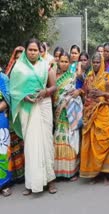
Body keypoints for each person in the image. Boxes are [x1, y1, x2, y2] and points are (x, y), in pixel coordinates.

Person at [10, 38, 57, 195]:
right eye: (30, 50)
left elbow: (54, 86)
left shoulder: (46, 66)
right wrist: (24, 97)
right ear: (25, 50)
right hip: (27, 107)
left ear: (40, 51)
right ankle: (31, 183)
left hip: (43, 105)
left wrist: (45, 92)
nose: (32, 52)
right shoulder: (19, 68)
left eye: (35, 50)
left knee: (46, 142)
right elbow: (14, 91)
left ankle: (50, 181)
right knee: (31, 144)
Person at [79, 53, 109, 184]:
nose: (96, 64)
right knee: (92, 143)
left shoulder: (107, 78)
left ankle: (106, 174)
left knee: (104, 142)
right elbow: (85, 94)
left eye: (98, 62)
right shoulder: (89, 78)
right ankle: (95, 173)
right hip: (90, 114)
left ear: (101, 63)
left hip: (103, 113)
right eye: (94, 62)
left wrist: (102, 94)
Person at [53, 52, 83, 181]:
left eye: (66, 61)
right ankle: (58, 171)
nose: (64, 63)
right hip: (58, 113)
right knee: (58, 139)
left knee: (70, 140)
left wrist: (71, 97)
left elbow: (80, 90)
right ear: (58, 62)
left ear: (70, 63)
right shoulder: (53, 76)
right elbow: (53, 95)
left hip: (69, 112)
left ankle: (71, 172)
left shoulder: (72, 76)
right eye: (62, 61)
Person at [5, 47, 25, 184]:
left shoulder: (29, 73)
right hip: (12, 113)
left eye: (20, 57)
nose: (18, 61)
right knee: (14, 142)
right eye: (16, 58)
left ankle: (27, 173)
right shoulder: (8, 75)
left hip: (26, 110)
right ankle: (17, 175)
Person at [0, 72, 12, 197]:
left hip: (0, 119)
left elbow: (7, 100)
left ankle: (4, 184)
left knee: (2, 152)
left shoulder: (3, 78)